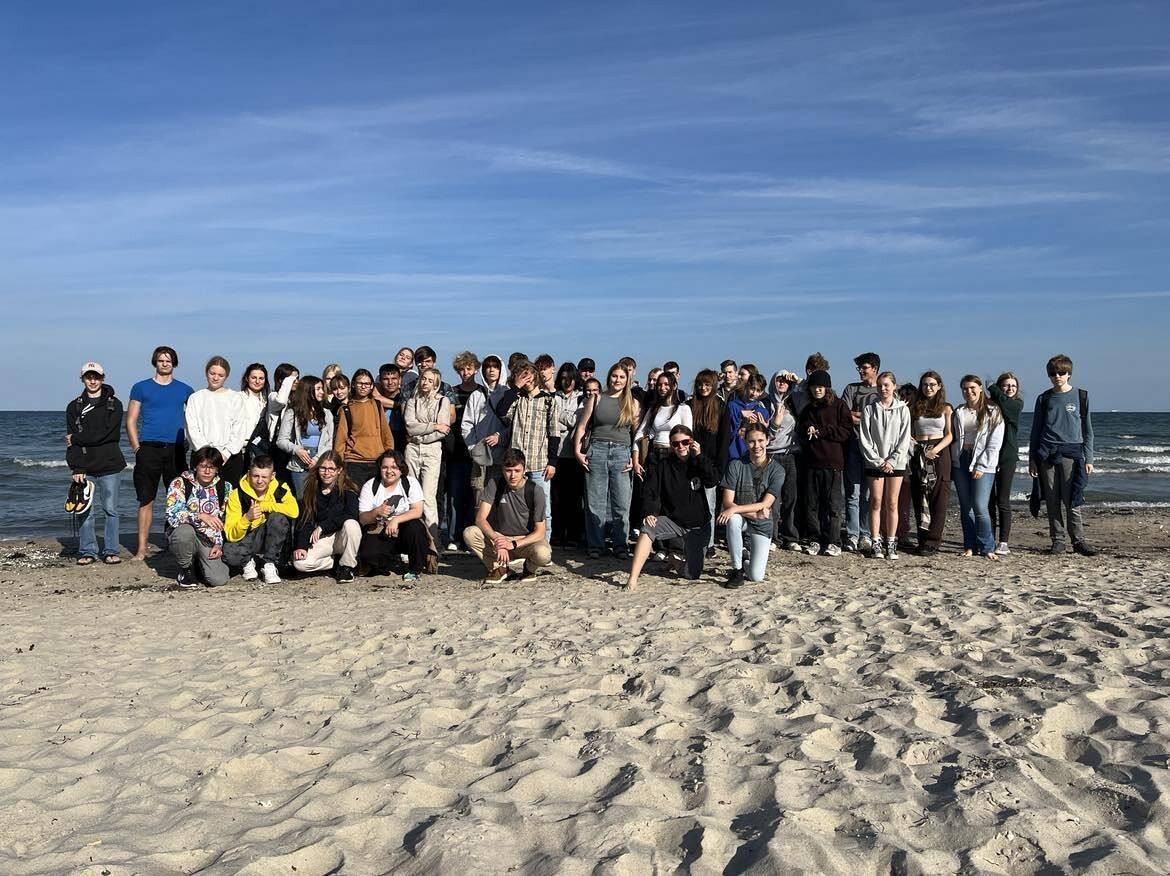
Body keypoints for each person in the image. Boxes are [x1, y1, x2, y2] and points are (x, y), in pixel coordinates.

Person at [625, 425, 720, 590]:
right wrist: (649, 512)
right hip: (674, 521)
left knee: (692, 574)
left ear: (692, 442)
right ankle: (632, 579)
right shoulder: (663, 465)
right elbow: (651, 491)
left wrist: (699, 455)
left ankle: (674, 560)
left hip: (698, 526)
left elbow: (712, 480)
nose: (681, 446)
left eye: (685, 442)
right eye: (676, 444)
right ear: (671, 445)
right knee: (648, 527)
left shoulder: (698, 461)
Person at [127, 345, 193, 560]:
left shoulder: (185, 390)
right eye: (161, 360)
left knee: (177, 499)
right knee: (146, 499)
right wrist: (137, 448)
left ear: (174, 363)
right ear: (155, 362)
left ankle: (173, 544)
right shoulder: (141, 387)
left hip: (176, 450)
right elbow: (131, 420)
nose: (165, 363)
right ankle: (141, 548)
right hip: (149, 448)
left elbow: (197, 416)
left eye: (168, 360)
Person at [1029, 355, 1097, 556]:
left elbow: (1088, 431)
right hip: (1047, 454)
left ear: (1069, 374)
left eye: (1061, 372)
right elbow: (1035, 431)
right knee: (1051, 500)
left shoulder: (1081, 396)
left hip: (1072, 454)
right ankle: (1058, 541)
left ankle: (1078, 541)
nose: (1057, 376)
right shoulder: (1044, 398)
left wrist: (1089, 458)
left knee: (1072, 499)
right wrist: (1032, 459)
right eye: (1053, 373)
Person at [574, 362, 640, 559]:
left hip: (622, 453)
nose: (617, 380)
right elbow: (582, 426)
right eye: (614, 376)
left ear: (627, 380)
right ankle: (596, 545)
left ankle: (620, 545)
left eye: (622, 377)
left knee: (621, 503)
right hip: (597, 450)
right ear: (609, 377)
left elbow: (638, 434)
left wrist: (635, 458)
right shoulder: (596, 399)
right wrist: (578, 451)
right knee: (595, 503)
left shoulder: (632, 402)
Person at [66, 362, 127, 565]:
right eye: (88, 377)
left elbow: (108, 435)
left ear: (103, 378)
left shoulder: (115, 404)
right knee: (85, 510)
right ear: (82, 379)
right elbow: (72, 444)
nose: (93, 381)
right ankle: (87, 551)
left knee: (111, 510)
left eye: (96, 377)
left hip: (111, 465)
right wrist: (77, 467)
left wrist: (77, 438)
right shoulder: (74, 406)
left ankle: (111, 550)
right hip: (85, 467)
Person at [463, 448, 553, 583]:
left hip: (525, 539)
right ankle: (499, 568)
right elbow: (480, 519)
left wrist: (513, 544)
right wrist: (498, 541)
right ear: (502, 470)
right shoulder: (494, 484)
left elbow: (540, 532)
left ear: (524, 470)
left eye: (517, 471)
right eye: (508, 470)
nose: (512, 475)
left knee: (543, 554)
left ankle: (529, 569)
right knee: (470, 533)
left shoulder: (535, 490)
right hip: (500, 536)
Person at [719, 422, 785, 586]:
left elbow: (765, 504)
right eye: (752, 441)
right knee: (733, 519)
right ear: (745, 442)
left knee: (756, 576)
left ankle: (745, 561)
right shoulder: (735, 465)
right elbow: (727, 501)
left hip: (762, 524)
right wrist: (751, 514)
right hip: (746, 518)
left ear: (767, 440)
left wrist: (736, 509)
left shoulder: (777, 470)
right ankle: (736, 570)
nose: (757, 446)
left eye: (760, 440)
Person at [499, 361, 558, 542]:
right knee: (516, 505)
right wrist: (516, 387)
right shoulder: (516, 398)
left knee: (543, 508)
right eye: (522, 375)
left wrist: (552, 462)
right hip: (517, 463)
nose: (527, 379)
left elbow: (554, 433)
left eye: (529, 374)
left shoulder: (549, 400)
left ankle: (543, 545)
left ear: (535, 375)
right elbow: (501, 411)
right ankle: (519, 543)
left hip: (539, 462)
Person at [796, 370, 852, 556]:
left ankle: (834, 541)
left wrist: (822, 431)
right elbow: (801, 429)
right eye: (814, 387)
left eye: (820, 387)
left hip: (833, 462)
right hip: (812, 462)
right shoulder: (809, 408)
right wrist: (808, 428)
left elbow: (846, 431)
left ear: (827, 387)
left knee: (833, 506)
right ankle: (815, 539)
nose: (817, 390)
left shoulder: (839, 405)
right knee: (811, 504)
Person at [859, 371, 912, 559]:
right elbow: (865, 439)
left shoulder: (903, 409)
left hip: (896, 463)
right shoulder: (869, 409)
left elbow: (905, 439)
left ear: (894, 386)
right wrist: (879, 461)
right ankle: (876, 542)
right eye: (880, 385)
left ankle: (891, 542)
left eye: (887, 385)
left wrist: (892, 460)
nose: (883, 389)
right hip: (875, 463)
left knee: (892, 503)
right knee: (876, 501)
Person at [357, 449, 433, 581]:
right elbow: (363, 518)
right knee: (369, 556)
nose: (389, 471)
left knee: (416, 527)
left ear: (401, 469)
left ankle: (415, 568)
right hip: (379, 530)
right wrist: (376, 512)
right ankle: (386, 561)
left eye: (394, 467)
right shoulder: (370, 486)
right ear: (380, 469)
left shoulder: (410, 483)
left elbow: (417, 510)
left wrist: (396, 520)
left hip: (404, 530)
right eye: (385, 467)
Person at [222, 454, 299, 583]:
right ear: (248, 474)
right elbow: (230, 534)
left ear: (272, 476)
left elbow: (294, 511)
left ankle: (269, 563)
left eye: (264, 477)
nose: (259, 481)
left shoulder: (281, 488)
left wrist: (266, 506)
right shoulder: (237, 495)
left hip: (271, 534)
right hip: (248, 535)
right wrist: (247, 518)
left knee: (278, 518)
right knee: (229, 555)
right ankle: (247, 561)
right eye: (255, 476)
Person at [952, 375, 1005, 560]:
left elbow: (994, 443)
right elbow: (954, 437)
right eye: (965, 389)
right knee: (966, 506)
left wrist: (981, 465)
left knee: (980, 506)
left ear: (980, 388)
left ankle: (987, 546)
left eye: (972, 388)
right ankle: (969, 546)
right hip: (961, 460)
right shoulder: (959, 411)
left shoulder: (993, 411)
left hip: (984, 462)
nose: (969, 391)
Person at [165, 447, 233, 589]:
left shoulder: (225, 487)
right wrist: (200, 516)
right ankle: (186, 568)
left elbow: (224, 521)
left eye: (211, 467)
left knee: (218, 579)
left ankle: (199, 563)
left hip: (208, 538)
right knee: (185, 532)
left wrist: (219, 544)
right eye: (203, 466)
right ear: (195, 466)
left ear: (217, 469)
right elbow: (172, 515)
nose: (207, 471)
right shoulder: (179, 483)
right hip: (185, 532)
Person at [902, 371, 953, 556]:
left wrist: (934, 450)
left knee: (939, 497)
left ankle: (933, 541)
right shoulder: (914, 408)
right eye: (925, 384)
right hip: (919, 451)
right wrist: (918, 448)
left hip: (939, 452)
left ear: (939, 386)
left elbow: (949, 435)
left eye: (932, 384)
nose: (928, 387)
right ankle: (922, 540)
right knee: (919, 495)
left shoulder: (946, 408)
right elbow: (908, 432)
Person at [291, 451, 361, 581]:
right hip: (323, 538)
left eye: (331, 469)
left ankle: (347, 567)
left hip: (342, 536)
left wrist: (323, 526)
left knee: (352, 524)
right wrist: (301, 546)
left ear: (339, 470)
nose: (326, 473)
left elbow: (351, 514)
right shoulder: (311, 490)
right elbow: (305, 520)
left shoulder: (348, 490)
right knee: (300, 564)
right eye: (323, 468)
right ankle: (335, 563)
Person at [403, 367, 452, 537]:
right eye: (423, 378)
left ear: (436, 384)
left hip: (432, 449)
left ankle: (433, 539)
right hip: (412, 449)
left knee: (429, 496)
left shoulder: (443, 401)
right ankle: (411, 537)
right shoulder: (412, 401)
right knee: (411, 494)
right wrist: (433, 425)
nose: (425, 382)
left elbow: (444, 430)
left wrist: (421, 436)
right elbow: (410, 426)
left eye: (430, 380)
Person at [185, 356, 249, 486]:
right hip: (202, 457)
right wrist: (206, 454)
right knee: (200, 495)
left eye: (220, 375)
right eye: (212, 373)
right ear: (206, 373)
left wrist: (225, 453)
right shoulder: (195, 398)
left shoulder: (235, 398)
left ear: (226, 376)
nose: (215, 378)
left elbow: (239, 429)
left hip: (229, 458)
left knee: (229, 495)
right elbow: (192, 428)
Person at [841, 352, 881, 552]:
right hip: (853, 445)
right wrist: (868, 417)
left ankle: (866, 534)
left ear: (875, 368)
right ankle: (852, 534)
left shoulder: (882, 389)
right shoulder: (851, 389)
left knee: (868, 494)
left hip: (875, 449)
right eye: (859, 368)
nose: (861, 371)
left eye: (864, 368)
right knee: (853, 493)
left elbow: (885, 416)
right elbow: (844, 415)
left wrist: (860, 416)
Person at [688, 369, 731, 555]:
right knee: (691, 505)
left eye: (707, 384)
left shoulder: (721, 407)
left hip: (711, 465)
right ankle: (692, 542)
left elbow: (724, 440)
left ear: (713, 385)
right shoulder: (689, 405)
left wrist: (719, 469)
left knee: (709, 506)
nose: (703, 388)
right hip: (691, 463)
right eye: (700, 384)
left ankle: (710, 543)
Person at [445, 352, 483, 551]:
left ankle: (472, 537)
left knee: (475, 496)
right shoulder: (452, 392)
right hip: (456, 450)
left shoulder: (483, 392)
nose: (465, 372)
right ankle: (454, 537)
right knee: (455, 496)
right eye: (462, 369)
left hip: (478, 450)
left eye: (469, 368)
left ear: (476, 369)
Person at [333, 368, 394, 489]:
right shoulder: (346, 409)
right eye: (360, 383)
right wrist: (338, 464)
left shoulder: (377, 405)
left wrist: (389, 456)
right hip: (354, 461)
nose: (363, 386)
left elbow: (386, 434)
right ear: (353, 385)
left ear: (371, 386)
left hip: (377, 460)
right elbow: (341, 440)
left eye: (367, 384)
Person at [276, 376, 335, 497]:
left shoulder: (326, 413)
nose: (322, 392)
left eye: (322, 389)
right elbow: (281, 440)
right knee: (302, 498)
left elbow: (329, 442)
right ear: (308, 390)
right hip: (300, 462)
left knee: (320, 497)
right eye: (318, 389)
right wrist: (296, 449)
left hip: (320, 460)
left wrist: (317, 459)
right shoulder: (293, 412)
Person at [462, 354, 510, 497]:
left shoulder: (508, 394)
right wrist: (473, 448)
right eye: (488, 367)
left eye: (495, 366)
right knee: (479, 496)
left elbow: (514, 424)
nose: (491, 370)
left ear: (501, 369)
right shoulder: (476, 395)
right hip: (480, 455)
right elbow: (467, 424)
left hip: (503, 455)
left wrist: (500, 437)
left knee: (500, 498)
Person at [988, 372, 1024, 555]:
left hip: (1007, 457)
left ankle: (1003, 542)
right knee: (988, 501)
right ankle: (989, 539)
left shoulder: (1016, 404)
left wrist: (992, 387)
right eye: (1006, 385)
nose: (1010, 388)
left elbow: (1005, 404)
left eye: (1013, 386)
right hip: (988, 456)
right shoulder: (990, 406)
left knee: (1002, 500)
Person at [765, 370, 802, 551]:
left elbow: (809, 393)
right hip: (771, 455)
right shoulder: (765, 403)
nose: (782, 383)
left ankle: (790, 536)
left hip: (789, 454)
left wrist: (797, 380)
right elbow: (762, 433)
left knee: (790, 498)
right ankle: (772, 537)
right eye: (779, 380)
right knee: (772, 499)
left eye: (785, 381)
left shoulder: (794, 401)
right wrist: (775, 422)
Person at [551, 362, 585, 549]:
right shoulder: (552, 397)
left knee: (574, 499)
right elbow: (551, 422)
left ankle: (573, 535)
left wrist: (560, 415)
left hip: (574, 454)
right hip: (556, 455)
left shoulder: (582, 398)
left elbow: (577, 421)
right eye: (563, 378)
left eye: (570, 378)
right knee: (556, 498)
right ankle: (556, 534)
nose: (567, 382)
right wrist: (567, 420)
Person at [633, 370, 693, 476]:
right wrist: (636, 461)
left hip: (675, 455)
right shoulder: (654, 409)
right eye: (660, 385)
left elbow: (688, 437)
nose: (662, 388)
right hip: (654, 455)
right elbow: (640, 433)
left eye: (666, 384)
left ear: (674, 386)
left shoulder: (683, 409)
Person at [726, 374, 769, 463]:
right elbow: (728, 432)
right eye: (752, 388)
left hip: (753, 457)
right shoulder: (732, 406)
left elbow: (765, 438)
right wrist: (740, 414)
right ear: (747, 386)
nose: (754, 393)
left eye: (758, 390)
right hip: (734, 455)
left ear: (761, 392)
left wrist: (763, 427)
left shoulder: (762, 411)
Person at [372, 363, 409, 451]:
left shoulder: (407, 397)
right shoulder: (373, 400)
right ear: (380, 380)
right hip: (381, 446)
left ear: (400, 379)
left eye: (394, 378)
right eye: (386, 379)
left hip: (403, 445)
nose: (390, 382)